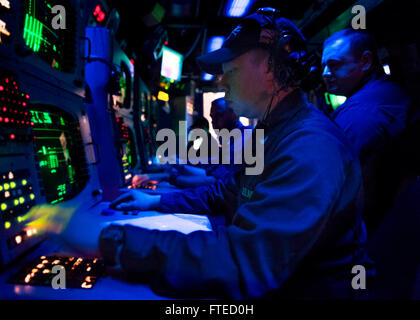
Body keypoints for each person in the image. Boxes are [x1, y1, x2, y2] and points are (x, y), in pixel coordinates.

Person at [98, 8, 372, 299]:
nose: (221, 83)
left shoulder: (312, 147)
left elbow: (246, 264)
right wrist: (155, 199)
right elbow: (227, 192)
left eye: (231, 71)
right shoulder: (272, 132)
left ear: (270, 70)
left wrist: (112, 240)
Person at [321, 29, 412, 233]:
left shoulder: (358, 116)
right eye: (323, 66)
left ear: (366, 61)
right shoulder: (389, 91)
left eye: (334, 64)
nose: (325, 73)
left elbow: (331, 188)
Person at [132, 98, 252, 188]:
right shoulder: (228, 144)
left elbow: (216, 182)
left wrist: (168, 178)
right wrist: (173, 167)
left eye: (219, 116)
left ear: (234, 114)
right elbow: (207, 171)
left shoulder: (245, 138)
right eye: (212, 117)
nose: (214, 123)